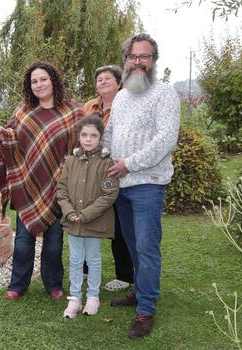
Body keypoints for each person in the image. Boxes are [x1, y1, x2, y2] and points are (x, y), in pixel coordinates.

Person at [102, 33, 180, 338]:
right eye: (133, 56)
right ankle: (140, 290)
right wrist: (96, 156)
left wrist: (129, 164)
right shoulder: (121, 96)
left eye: (144, 57)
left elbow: (166, 139)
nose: (138, 62)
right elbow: (109, 133)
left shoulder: (165, 94)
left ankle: (146, 308)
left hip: (148, 183)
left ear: (153, 61)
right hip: (121, 185)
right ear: (126, 60)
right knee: (133, 245)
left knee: (147, 247)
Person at [0, 61, 84, 301]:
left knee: (54, 241)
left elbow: (83, 142)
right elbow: (11, 139)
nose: (39, 84)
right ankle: (18, 284)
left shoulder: (72, 111)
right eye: (34, 81)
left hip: (59, 185)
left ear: (53, 81)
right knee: (23, 240)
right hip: (28, 185)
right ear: (29, 86)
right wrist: (2, 133)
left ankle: (52, 283)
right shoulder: (23, 112)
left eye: (43, 79)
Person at [57, 114, 119, 318]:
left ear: (100, 137)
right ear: (79, 137)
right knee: (75, 260)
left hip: (94, 221)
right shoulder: (70, 161)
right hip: (73, 221)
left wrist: (85, 214)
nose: (88, 139)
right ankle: (75, 298)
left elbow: (109, 194)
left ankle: (93, 297)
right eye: (84, 134)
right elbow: (61, 190)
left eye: (93, 135)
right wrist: (70, 212)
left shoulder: (107, 163)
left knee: (93, 259)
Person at [84, 65, 134, 293]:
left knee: (120, 226)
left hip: (118, 172)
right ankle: (85, 270)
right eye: (99, 79)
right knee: (88, 219)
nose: (102, 82)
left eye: (108, 78)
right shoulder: (88, 107)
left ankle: (124, 275)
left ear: (119, 83)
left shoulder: (127, 105)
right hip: (91, 173)